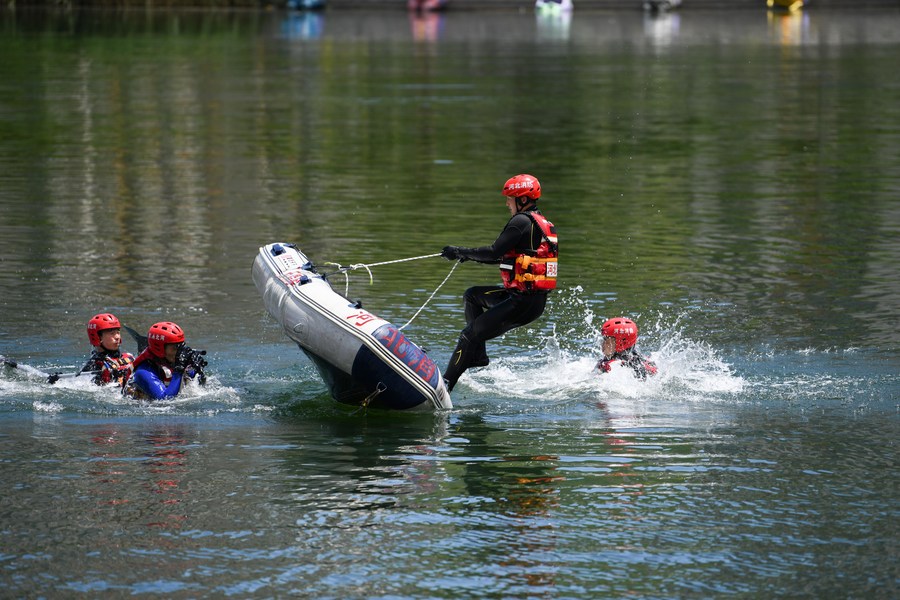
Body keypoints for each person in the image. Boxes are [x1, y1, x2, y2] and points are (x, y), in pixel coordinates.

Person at [440, 174, 558, 392]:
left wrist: (458, 251)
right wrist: (466, 256)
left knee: (468, 335)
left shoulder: (521, 222)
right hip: (530, 301)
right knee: (472, 295)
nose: (507, 203)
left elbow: (494, 251)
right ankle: (478, 356)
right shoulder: (538, 223)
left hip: (521, 303)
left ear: (522, 200)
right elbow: (502, 257)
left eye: (510, 198)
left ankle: (444, 385)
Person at [124, 321, 206, 400]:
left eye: (181, 346)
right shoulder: (143, 372)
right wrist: (179, 369)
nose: (179, 352)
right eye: (175, 347)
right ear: (159, 349)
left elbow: (196, 385)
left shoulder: (168, 359)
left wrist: (195, 369)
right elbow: (165, 400)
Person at [83, 313, 135, 386]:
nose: (117, 337)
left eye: (118, 332)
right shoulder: (94, 366)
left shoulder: (128, 357)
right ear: (99, 337)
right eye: (112, 333)